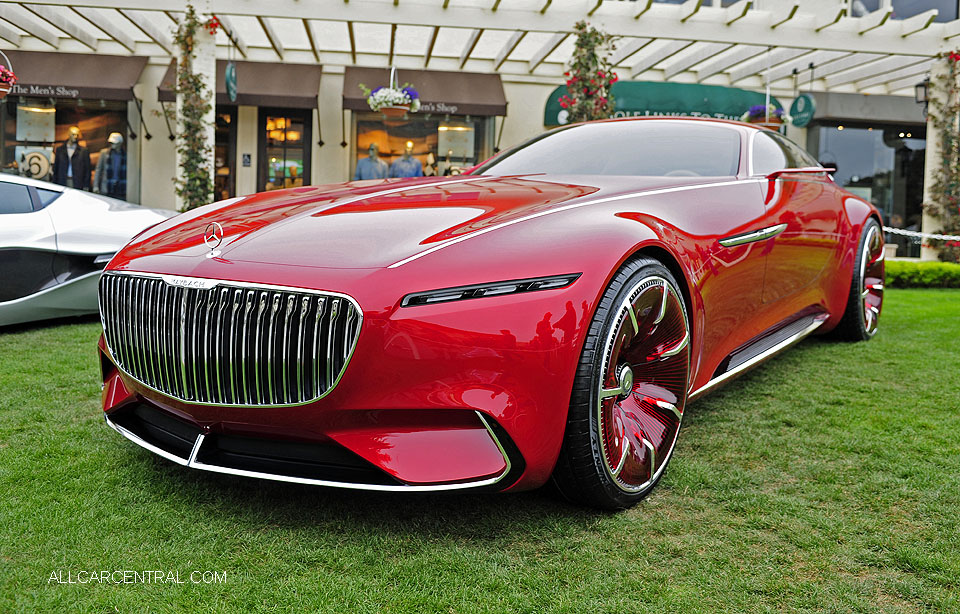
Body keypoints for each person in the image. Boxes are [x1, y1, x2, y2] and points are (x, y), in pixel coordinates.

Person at [93, 132, 126, 199]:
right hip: (106, 186)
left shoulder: (125, 155)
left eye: (114, 143)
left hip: (120, 186)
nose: (112, 144)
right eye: (111, 142)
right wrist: (95, 186)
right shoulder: (104, 153)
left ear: (120, 143)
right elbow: (98, 170)